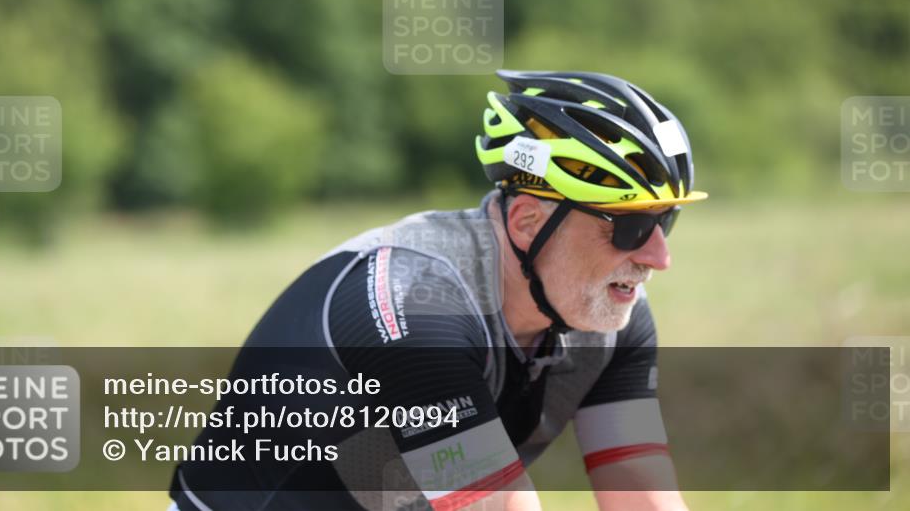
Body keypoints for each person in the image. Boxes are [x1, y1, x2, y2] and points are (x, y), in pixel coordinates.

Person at [169, 70, 707, 511]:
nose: (658, 257)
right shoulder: (417, 303)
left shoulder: (612, 316)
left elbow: (640, 488)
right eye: (631, 227)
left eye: (665, 221)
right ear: (526, 222)